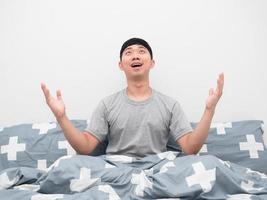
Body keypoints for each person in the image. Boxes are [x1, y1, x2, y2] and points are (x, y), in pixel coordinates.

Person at [41, 38, 224, 158]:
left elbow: (191, 149)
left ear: (152, 63)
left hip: (158, 171)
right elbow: (86, 148)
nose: (135, 55)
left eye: (141, 51)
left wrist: (209, 110)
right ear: (121, 65)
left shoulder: (170, 105)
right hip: (115, 170)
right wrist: (61, 117)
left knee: (211, 164)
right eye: (128, 52)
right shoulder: (107, 104)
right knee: (67, 165)